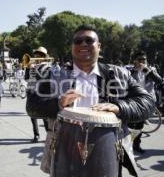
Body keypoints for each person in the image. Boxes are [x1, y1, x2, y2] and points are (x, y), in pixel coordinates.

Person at [26, 25, 155, 177]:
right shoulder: (52, 75)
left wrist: (119, 107)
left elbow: (148, 102)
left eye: (89, 40)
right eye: (78, 41)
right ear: (72, 47)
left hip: (108, 153)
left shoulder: (120, 74)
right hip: (64, 152)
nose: (83, 44)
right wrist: (59, 103)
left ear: (99, 46)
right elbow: (32, 106)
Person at [128, 51, 164, 153]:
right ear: (135, 60)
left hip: (145, 101)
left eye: (144, 59)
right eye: (140, 60)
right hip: (133, 100)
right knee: (130, 124)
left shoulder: (150, 70)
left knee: (139, 125)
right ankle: (128, 144)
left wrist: (147, 70)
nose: (143, 62)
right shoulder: (130, 71)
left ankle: (136, 144)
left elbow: (159, 80)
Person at [24, 46, 50, 143]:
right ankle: (36, 135)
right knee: (32, 115)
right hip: (31, 92)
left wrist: (34, 69)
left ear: (43, 57)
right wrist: (27, 68)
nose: (36, 56)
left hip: (41, 94)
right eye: (35, 54)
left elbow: (43, 80)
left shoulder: (47, 67)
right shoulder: (32, 66)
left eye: (38, 55)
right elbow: (26, 79)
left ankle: (48, 135)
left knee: (44, 116)